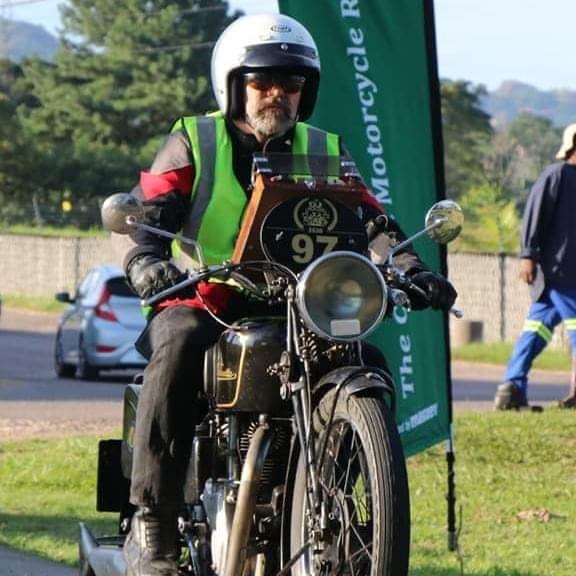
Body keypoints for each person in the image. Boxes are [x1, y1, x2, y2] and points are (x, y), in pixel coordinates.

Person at [121, 13, 457, 575]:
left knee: (367, 361)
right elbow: (147, 210)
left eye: (291, 83)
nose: (278, 93)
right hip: (211, 296)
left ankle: (337, 504)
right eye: (263, 81)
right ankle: (156, 525)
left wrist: (411, 266)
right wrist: (144, 260)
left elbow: (372, 221)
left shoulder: (325, 147)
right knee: (177, 344)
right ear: (233, 83)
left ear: (307, 91)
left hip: (304, 304)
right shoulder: (195, 139)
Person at [495, 122, 576, 411]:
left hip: (567, 275)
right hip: (560, 271)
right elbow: (534, 214)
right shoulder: (556, 175)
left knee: (537, 329)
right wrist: (527, 255)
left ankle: (511, 388)